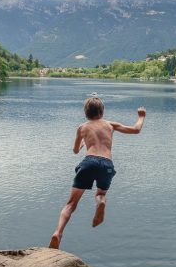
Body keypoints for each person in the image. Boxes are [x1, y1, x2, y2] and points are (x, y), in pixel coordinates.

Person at [49, 97, 146, 249]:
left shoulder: (82, 127)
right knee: (101, 193)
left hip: (88, 162)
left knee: (71, 204)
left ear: (86, 113)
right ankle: (100, 202)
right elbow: (136, 130)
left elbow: (75, 151)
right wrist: (141, 116)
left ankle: (58, 232)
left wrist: (82, 144)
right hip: (106, 164)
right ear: (102, 111)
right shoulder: (110, 124)